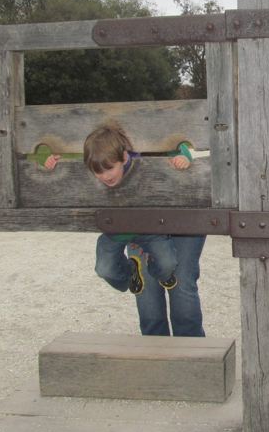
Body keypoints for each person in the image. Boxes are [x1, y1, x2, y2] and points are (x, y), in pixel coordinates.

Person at [45, 122, 193, 296]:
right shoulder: (98, 170)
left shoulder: (139, 161)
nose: (105, 176)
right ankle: (130, 270)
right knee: (104, 270)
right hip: (113, 229)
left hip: (149, 228)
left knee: (167, 265)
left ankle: (158, 272)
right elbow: (71, 177)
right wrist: (57, 165)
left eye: (109, 168)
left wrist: (184, 159)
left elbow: (176, 151)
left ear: (123, 158)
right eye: (98, 172)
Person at [127, 235, 207, 337]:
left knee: (181, 286)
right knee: (147, 295)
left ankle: (189, 348)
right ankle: (154, 349)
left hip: (184, 221)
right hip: (139, 224)